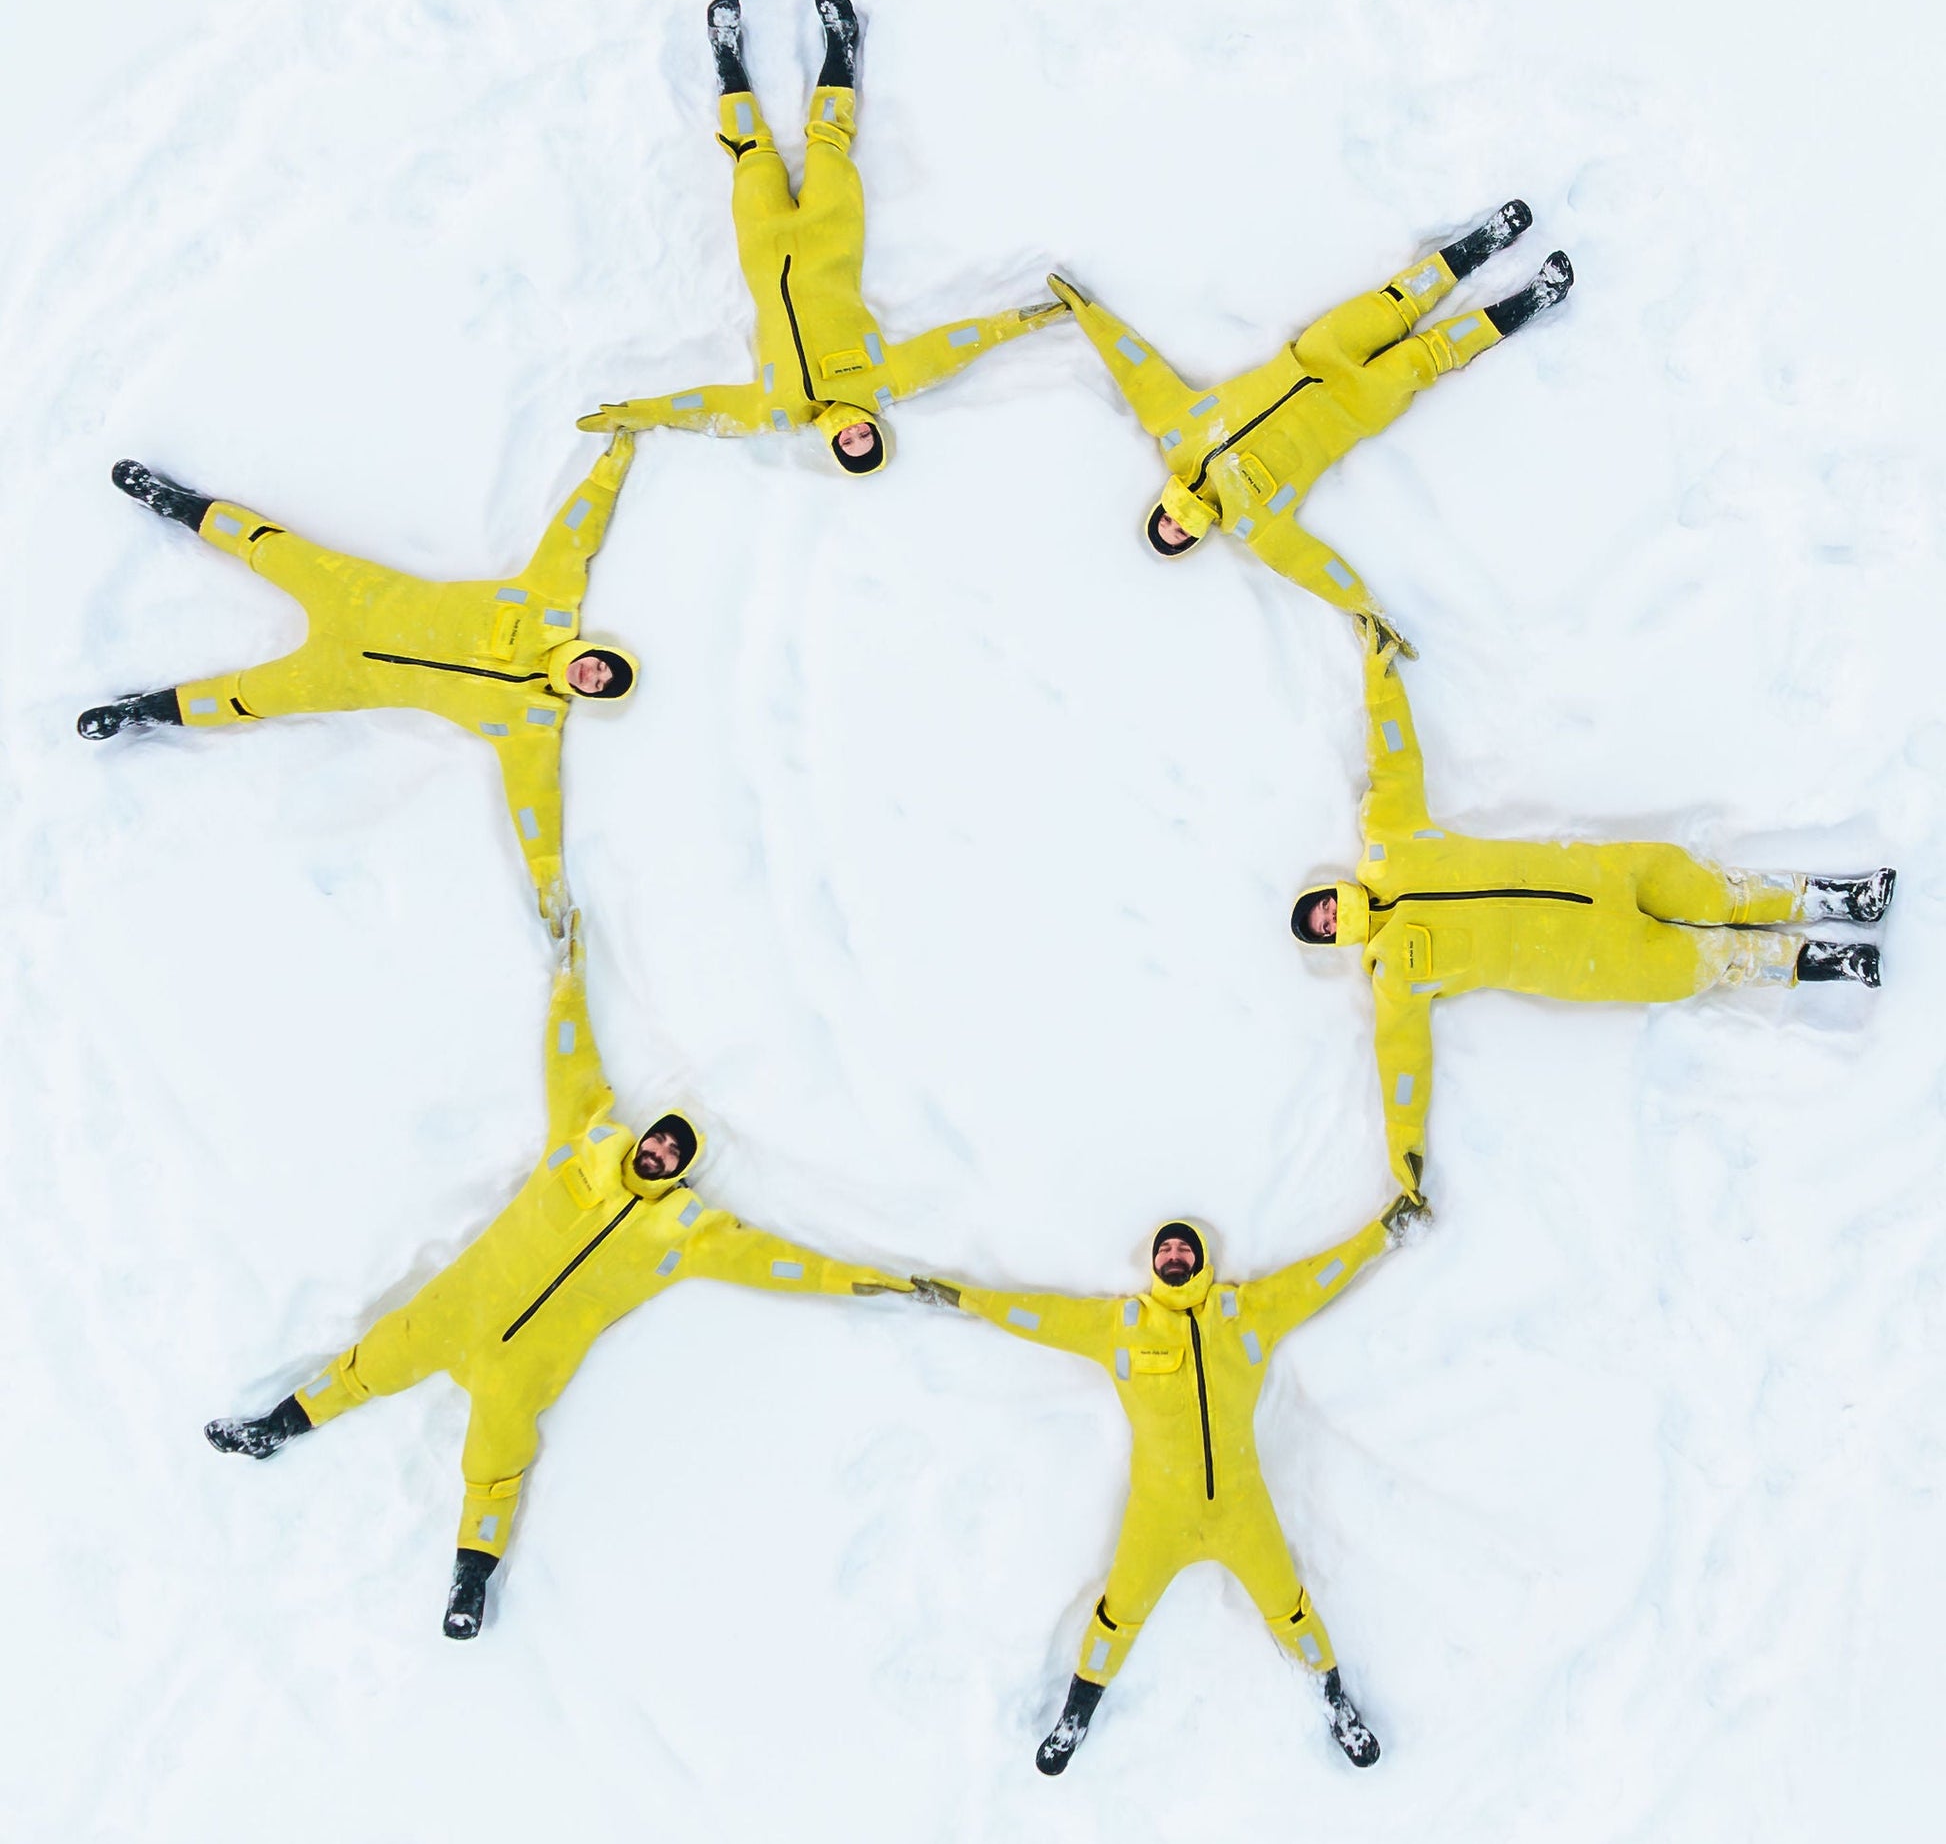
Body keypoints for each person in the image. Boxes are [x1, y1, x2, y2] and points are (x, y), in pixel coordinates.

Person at [206, 916, 910, 1639]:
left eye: (675, 1152)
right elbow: (571, 1058)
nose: (661, 1149)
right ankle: (273, 1428)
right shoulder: (585, 1144)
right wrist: (569, 969)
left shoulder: (683, 1235)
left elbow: (775, 1263)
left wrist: (869, 1280)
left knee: (495, 1463)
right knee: (366, 1365)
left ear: (680, 1171)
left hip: (525, 1365)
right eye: (661, 1135)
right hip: (458, 1308)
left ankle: (469, 1581)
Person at [1292, 618, 1897, 1204]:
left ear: (1328, 891)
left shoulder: (1386, 843)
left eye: (1320, 910)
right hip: (1592, 963)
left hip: (1603, 875)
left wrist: (1379, 672)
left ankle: (1840, 896)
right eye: (1324, 931)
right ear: (1332, 942)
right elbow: (1402, 1066)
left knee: (1721, 893)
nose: (1329, 919)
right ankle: (1828, 960)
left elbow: (1393, 759)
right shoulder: (1392, 974)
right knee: (1715, 960)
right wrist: (1405, 1155)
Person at [909, 1202, 1421, 1774]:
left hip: (1241, 1512)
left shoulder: (1244, 1313)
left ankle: (1336, 1707)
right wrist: (965, 1298)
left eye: (1185, 1249)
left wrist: (1383, 1234)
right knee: (1116, 1616)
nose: (1174, 1256)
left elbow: (1318, 1277)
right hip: (1159, 1517)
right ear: (1154, 1263)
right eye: (1165, 1249)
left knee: (1291, 1610)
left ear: (1202, 1260)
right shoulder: (1122, 1326)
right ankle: (1075, 1715)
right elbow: (1040, 1315)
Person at [77, 438, 640, 936]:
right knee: (272, 547)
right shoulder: (548, 606)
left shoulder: (531, 726)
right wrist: (609, 469)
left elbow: (534, 804)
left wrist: (548, 879)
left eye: (600, 686)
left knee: (248, 697)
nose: (593, 674)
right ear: (595, 651)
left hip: (349, 677)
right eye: (601, 666)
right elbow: (572, 538)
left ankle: (141, 711)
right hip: (362, 596)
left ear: (589, 697)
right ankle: (171, 501)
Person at [577, 0, 1069, 472]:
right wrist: (1020, 321)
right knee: (829, 142)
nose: (853, 431)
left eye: (848, 444)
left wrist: (644, 412)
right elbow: (952, 347)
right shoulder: (886, 383)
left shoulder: (776, 411)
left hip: (764, 246)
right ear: (876, 429)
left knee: (751, 153)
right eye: (866, 436)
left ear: (834, 447)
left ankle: (726, 56)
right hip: (832, 235)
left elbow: (707, 408)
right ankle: (842, 40)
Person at [1049, 202, 1572, 646]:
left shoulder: (1175, 432)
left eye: (1164, 525)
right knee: (1429, 355)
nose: (1176, 527)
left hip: (1315, 353)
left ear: (1159, 510)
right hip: (1357, 406)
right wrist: (1368, 613)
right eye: (1179, 539)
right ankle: (1531, 301)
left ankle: (1485, 242)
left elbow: (1135, 369)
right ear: (1193, 541)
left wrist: (1084, 312)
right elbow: (1317, 569)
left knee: (1395, 302)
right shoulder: (1255, 526)